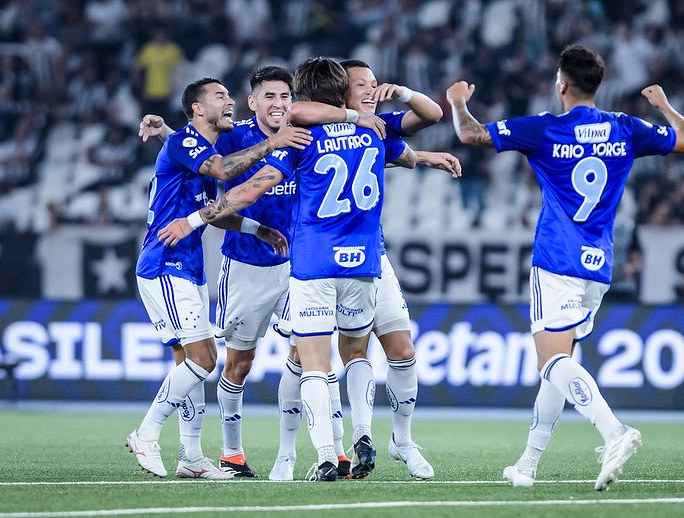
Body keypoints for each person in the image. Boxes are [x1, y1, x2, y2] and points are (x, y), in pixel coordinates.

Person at [446, 44, 684, 491]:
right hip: (598, 264)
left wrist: (458, 103)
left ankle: (614, 432)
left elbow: (472, 136)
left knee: (551, 363)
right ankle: (527, 465)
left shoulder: (544, 129)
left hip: (556, 258)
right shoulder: (625, 127)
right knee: (562, 362)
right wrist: (664, 107)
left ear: (561, 84)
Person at [157, 58, 410, 482]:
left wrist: (421, 155)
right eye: (269, 96)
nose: (278, 104)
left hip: (302, 264)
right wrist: (167, 133)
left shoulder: (309, 134)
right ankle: (232, 453)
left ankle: (296, 455)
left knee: (306, 356)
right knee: (239, 364)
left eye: (285, 96)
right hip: (247, 263)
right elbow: (196, 150)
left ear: (298, 99)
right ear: (252, 102)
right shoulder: (238, 136)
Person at [274, 59, 460, 481]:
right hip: (334, 257)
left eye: (375, 84)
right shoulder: (354, 125)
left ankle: (399, 442)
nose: (373, 91)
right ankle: (314, 450)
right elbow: (306, 114)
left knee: (399, 351)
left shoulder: (378, 125)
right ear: (342, 93)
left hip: (366, 259)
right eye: (363, 85)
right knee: (307, 357)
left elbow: (427, 121)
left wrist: (404, 98)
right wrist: (360, 120)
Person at [126, 77, 310, 480]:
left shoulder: (190, 147)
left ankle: (190, 457)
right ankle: (146, 433)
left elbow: (218, 210)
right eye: (220, 96)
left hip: (187, 268)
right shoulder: (189, 144)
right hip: (165, 265)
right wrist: (272, 144)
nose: (229, 103)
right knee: (205, 359)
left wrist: (256, 229)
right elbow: (225, 168)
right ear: (196, 108)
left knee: (188, 363)